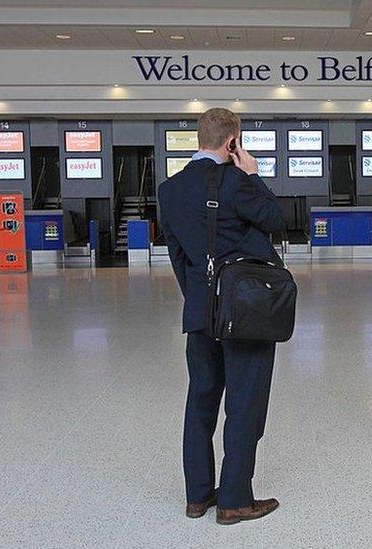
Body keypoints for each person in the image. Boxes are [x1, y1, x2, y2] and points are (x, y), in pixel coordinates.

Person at [158, 108, 285, 525]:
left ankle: (197, 496)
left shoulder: (170, 189)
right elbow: (277, 220)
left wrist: (200, 297)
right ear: (233, 142)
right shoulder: (236, 181)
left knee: (201, 400)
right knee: (244, 404)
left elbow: (178, 255)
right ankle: (234, 499)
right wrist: (252, 174)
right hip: (245, 313)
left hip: (200, 311)